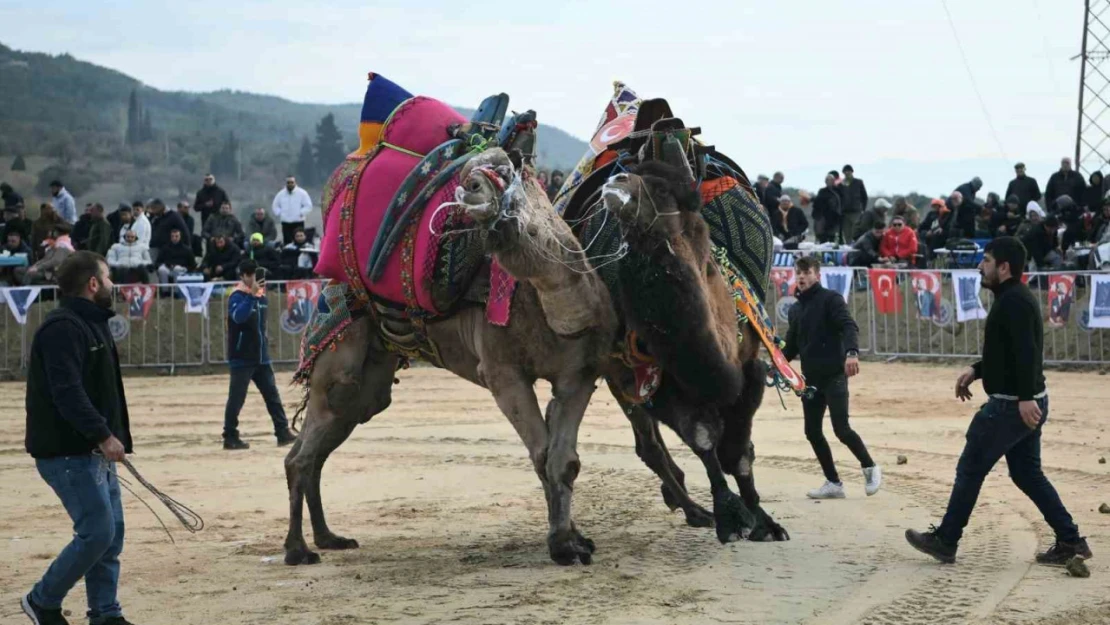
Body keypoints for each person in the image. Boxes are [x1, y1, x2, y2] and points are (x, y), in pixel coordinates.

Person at [905, 237, 1091, 565]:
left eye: (987, 261)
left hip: (1011, 406)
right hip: (1022, 401)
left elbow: (1027, 354)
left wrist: (1025, 398)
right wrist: (977, 370)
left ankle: (946, 540)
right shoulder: (1011, 298)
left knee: (970, 468)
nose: (980, 267)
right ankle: (1071, 541)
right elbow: (1007, 353)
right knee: (1027, 474)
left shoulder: (1014, 302)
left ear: (1004, 267)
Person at [21, 251, 136, 625]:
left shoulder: (92, 323)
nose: (112, 284)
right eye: (108, 277)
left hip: (95, 451)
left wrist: (111, 438)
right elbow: (67, 392)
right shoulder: (63, 329)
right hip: (68, 453)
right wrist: (104, 435)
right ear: (92, 284)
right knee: (97, 532)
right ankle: (42, 600)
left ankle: (105, 613)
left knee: (111, 535)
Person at [782, 256, 882, 499]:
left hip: (835, 375)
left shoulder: (831, 299)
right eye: (798, 273)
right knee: (812, 432)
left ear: (818, 274)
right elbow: (792, 346)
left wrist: (851, 352)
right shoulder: (796, 309)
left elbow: (849, 326)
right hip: (810, 381)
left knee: (841, 428)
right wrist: (775, 362)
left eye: (806, 272)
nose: (802, 277)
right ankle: (833, 483)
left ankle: (870, 467)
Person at [222, 259, 297, 450]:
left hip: (261, 357)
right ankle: (230, 436)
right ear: (245, 276)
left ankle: (282, 431)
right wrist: (252, 297)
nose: (259, 281)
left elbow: (260, 324)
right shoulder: (237, 296)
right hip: (242, 357)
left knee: (272, 395)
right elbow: (239, 317)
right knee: (237, 398)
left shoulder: (262, 297)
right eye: (255, 276)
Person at [271, 176, 313, 245]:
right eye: (288, 182)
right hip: (286, 222)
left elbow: (308, 206)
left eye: (292, 182)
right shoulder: (280, 194)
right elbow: (275, 206)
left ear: (295, 183)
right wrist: (280, 214)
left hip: (298, 221)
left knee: (300, 240)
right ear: (286, 183)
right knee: (287, 242)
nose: (290, 184)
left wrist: (301, 213)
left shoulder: (302, 193)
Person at [839, 165, 868, 243]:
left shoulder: (858, 182)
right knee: (847, 233)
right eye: (845, 171)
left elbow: (864, 197)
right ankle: (848, 249)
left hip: (856, 212)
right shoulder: (841, 184)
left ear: (852, 172)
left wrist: (863, 210)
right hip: (845, 213)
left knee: (855, 232)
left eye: (848, 171)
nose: (847, 173)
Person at [813, 173, 842, 243]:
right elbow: (818, 202)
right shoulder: (822, 191)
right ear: (825, 182)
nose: (829, 182)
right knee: (823, 238)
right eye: (827, 180)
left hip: (835, 217)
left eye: (831, 180)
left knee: (834, 238)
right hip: (824, 217)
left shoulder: (838, 191)